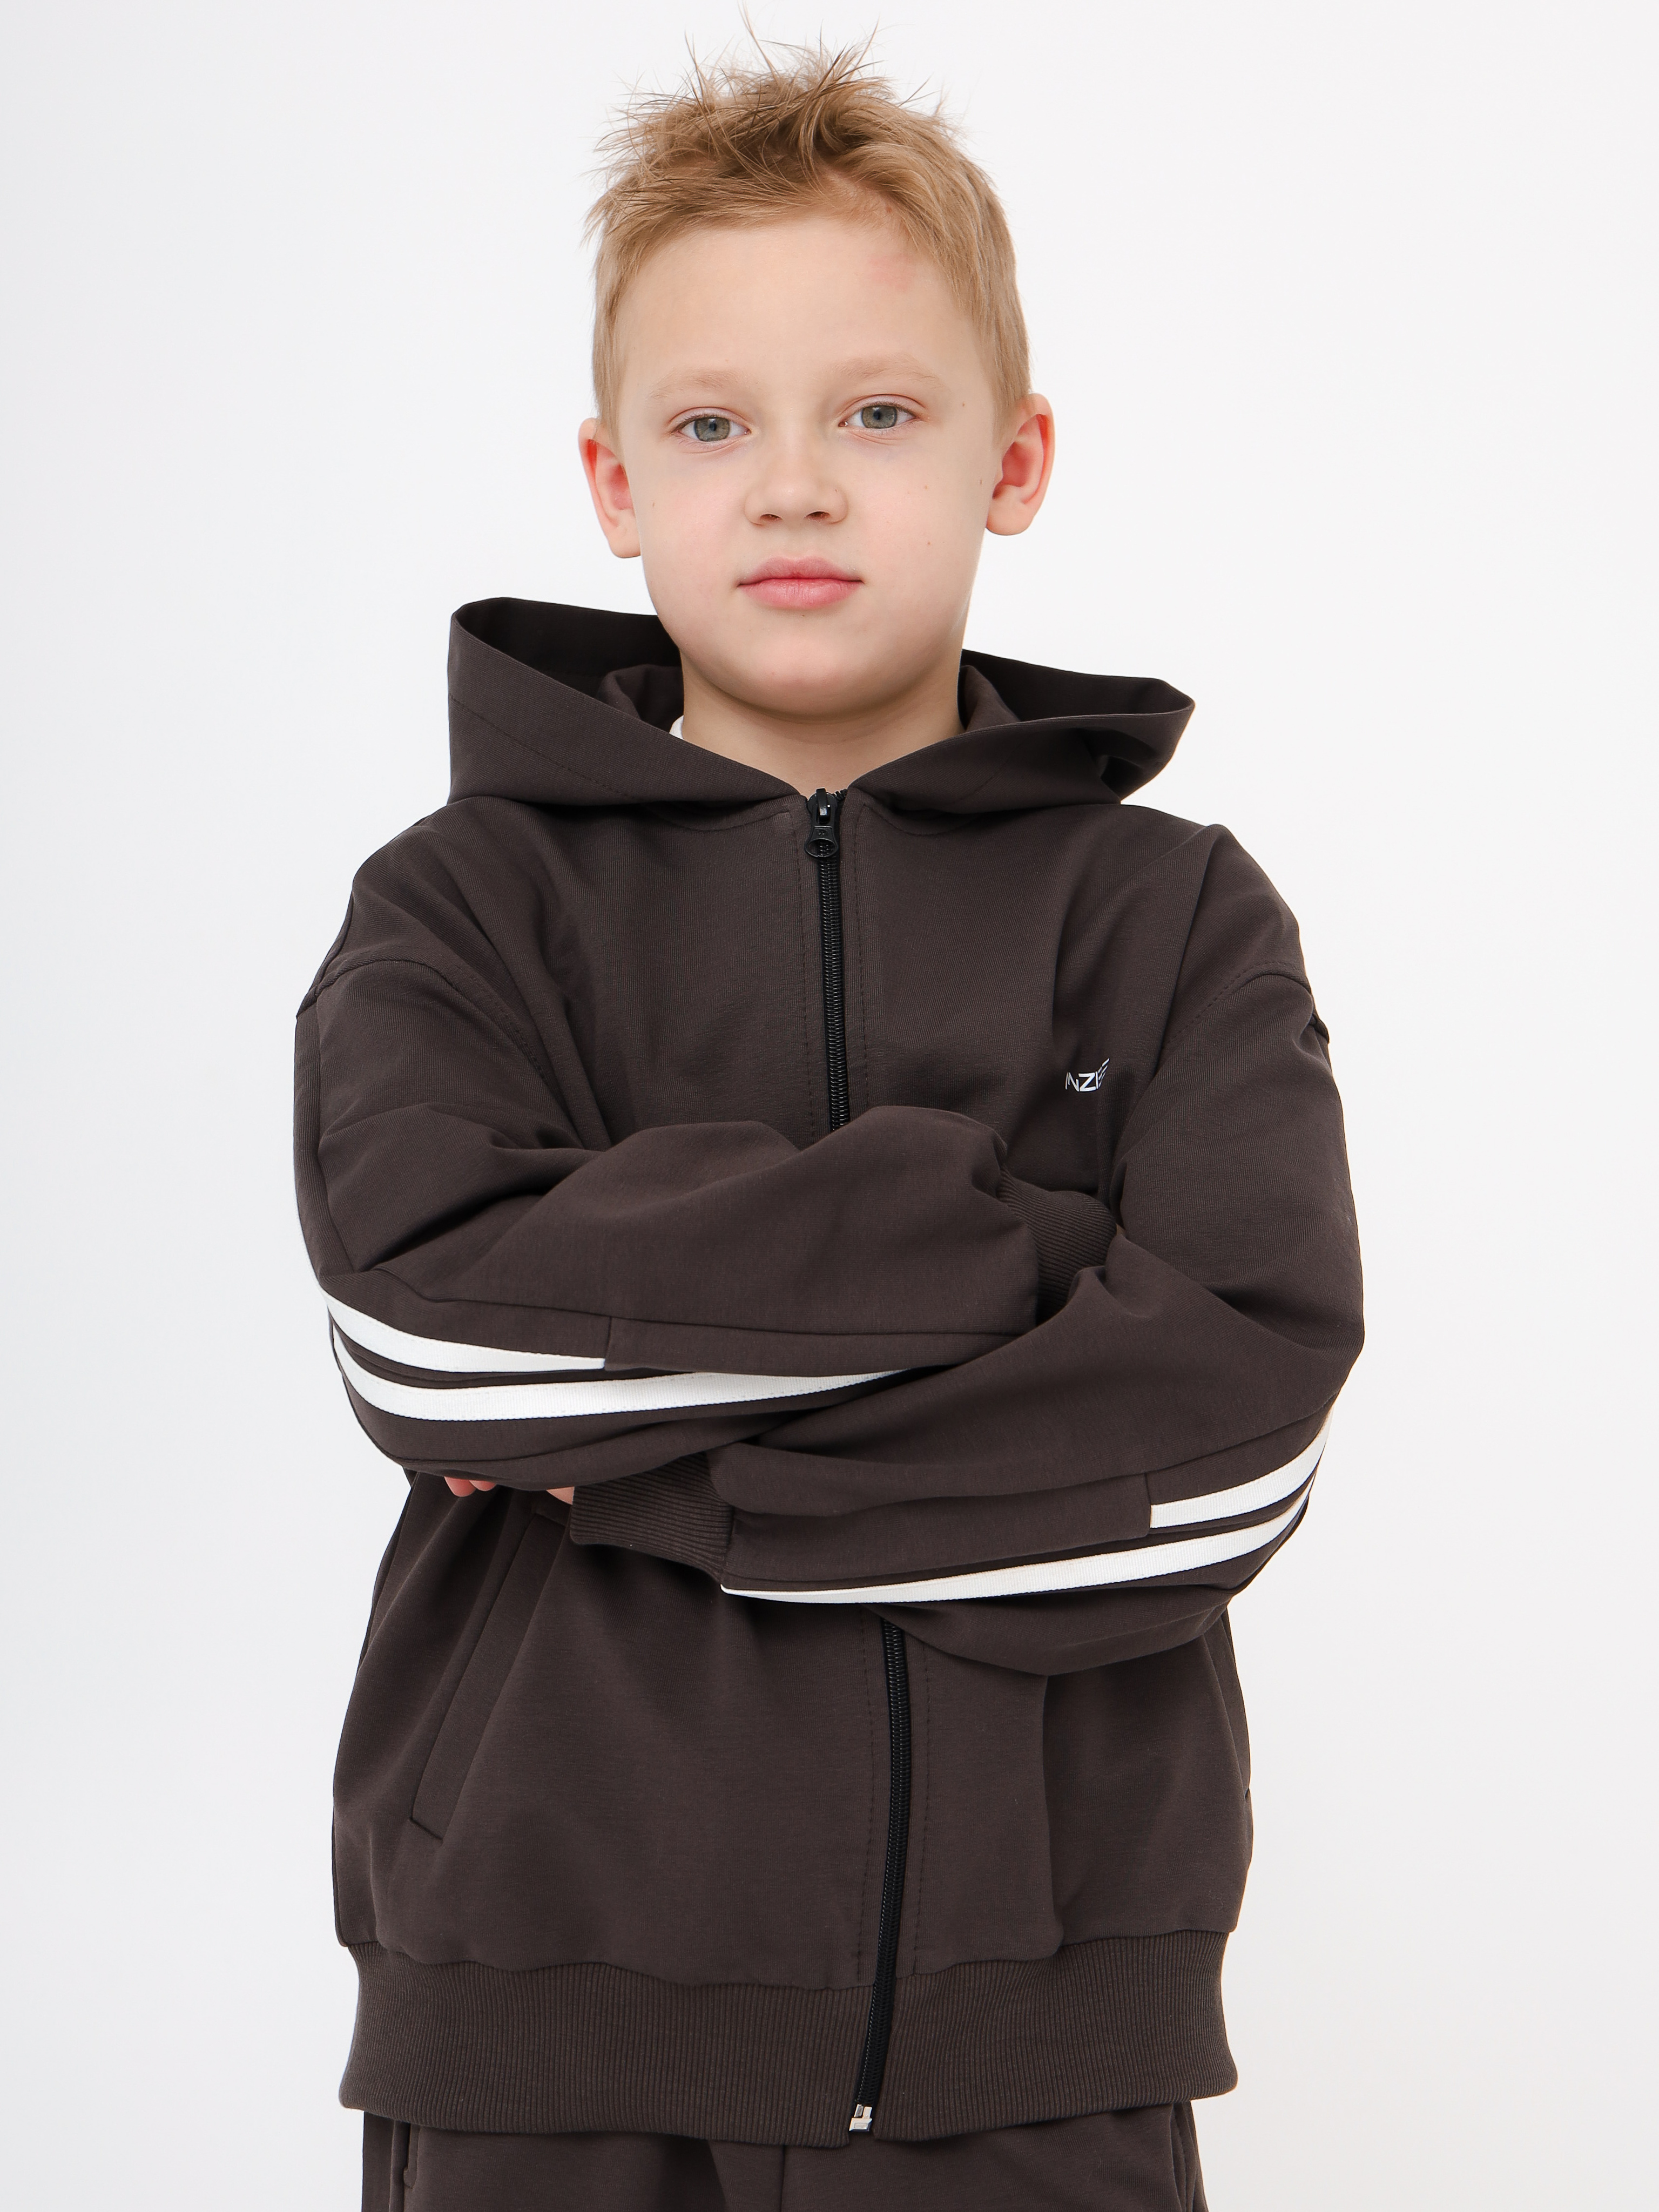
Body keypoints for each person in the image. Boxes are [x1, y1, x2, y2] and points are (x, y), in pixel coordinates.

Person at [294, 43, 1363, 2212]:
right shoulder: (463, 903)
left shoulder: (1172, 917)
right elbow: (433, 1338)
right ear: (612, 481)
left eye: (877, 414)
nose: (793, 486)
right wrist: (1027, 1252)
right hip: (537, 2038)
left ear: (1013, 458)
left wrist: (637, 1470)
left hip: (1036, 2057)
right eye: (713, 425)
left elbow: (1227, 1445)